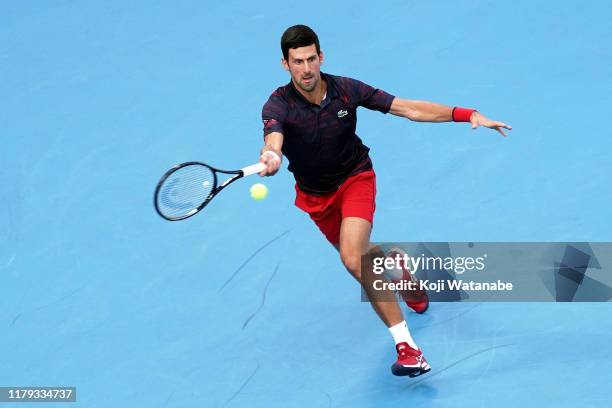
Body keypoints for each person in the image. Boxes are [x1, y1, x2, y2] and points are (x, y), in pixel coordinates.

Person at [257, 25, 512, 377]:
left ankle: (408, 348)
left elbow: (407, 108)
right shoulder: (277, 105)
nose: (306, 69)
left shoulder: (346, 90)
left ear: (321, 57)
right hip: (316, 198)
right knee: (363, 257)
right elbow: (274, 139)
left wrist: (466, 113)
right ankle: (396, 269)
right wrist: (271, 156)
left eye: (311, 58)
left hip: (356, 179)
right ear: (285, 64)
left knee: (352, 257)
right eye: (297, 61)